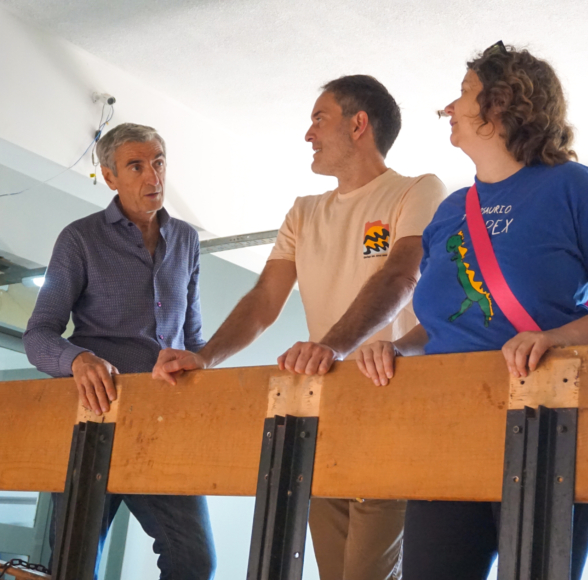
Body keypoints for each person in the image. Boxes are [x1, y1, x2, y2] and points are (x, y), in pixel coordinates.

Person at [354, 43, 588, 580]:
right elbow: (447, 321)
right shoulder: (449, 210)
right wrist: (399, 348)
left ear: (503, 102)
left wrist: (558, 339)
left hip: (547, 428)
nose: (449, 107)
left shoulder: (571, 186)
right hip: (449, 427)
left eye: (465, 92)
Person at [152, 75, 447, 580]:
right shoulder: (304, 212)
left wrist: (329, 347)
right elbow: (264, 300)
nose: (308, 134)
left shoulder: (419, 189)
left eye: (319, 119)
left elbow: (401, 275)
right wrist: (204, 356)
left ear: (358, 124)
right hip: (325, 414)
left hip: (393, 405)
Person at [23, 123, 216, 580]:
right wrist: (76, 359)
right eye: (136, 166)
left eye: (158, 162)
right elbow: (38, 334)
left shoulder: (186, 240)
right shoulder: (80, 238)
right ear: (109, 177)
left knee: (194, 561)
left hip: (163, 421)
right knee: (72, 564)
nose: (153, 176)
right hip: (94, 422)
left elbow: (193, 339)